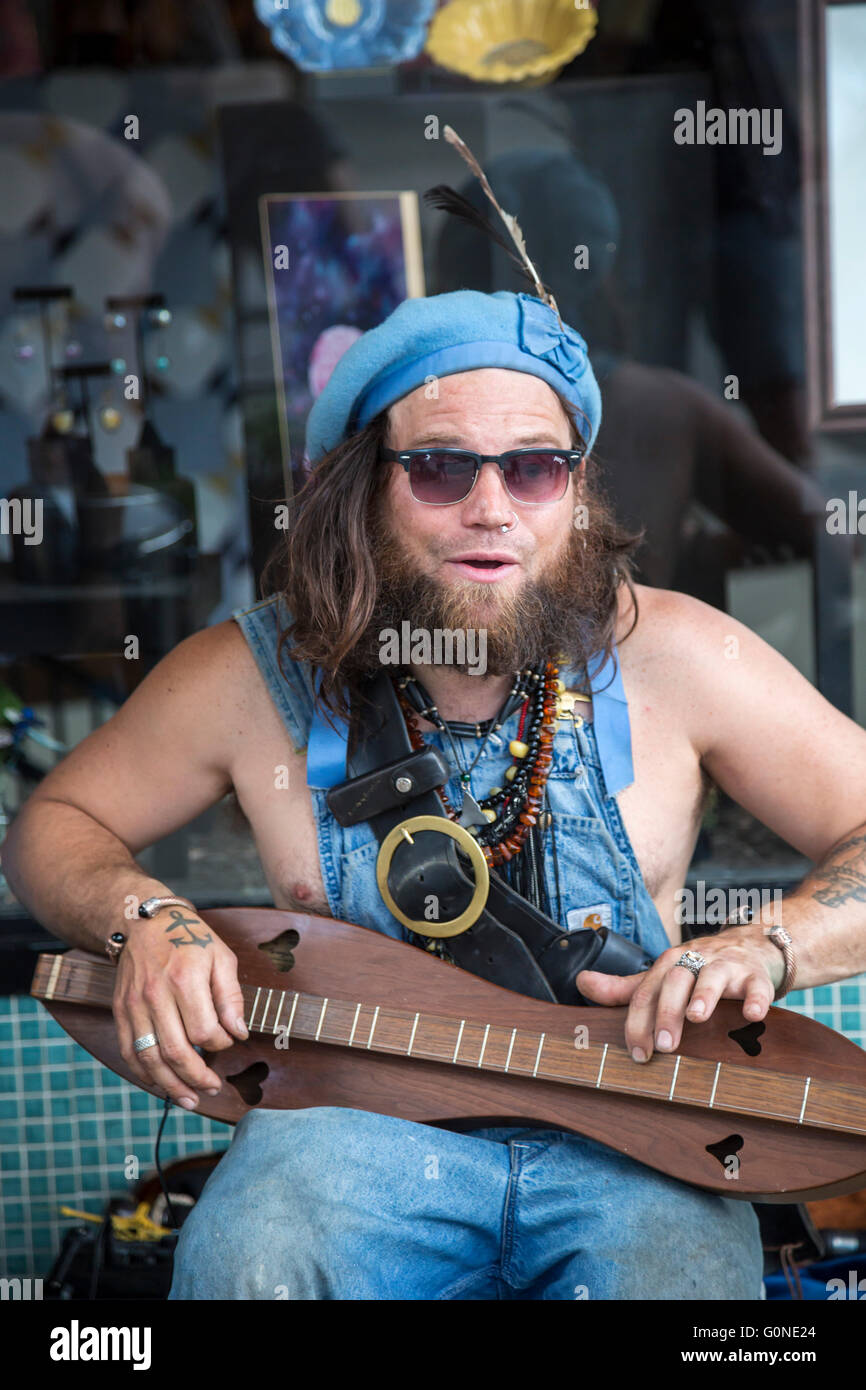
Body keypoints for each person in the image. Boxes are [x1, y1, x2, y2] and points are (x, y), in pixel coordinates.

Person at [4, 289, 866, 1300]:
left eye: (534, 468)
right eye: (440, 466)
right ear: (359, 487)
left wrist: (763, 942)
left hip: (638, 1133)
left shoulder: (677, 654)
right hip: (345, 1136)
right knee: (249, 1261)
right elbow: (52, 823)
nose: (490, 507)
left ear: (576, 488)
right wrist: (143, 917)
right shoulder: (242, 679)